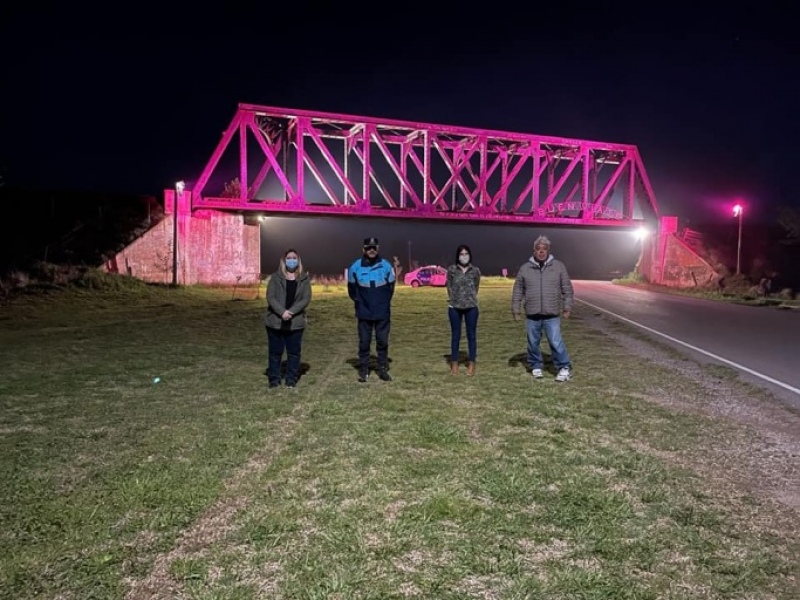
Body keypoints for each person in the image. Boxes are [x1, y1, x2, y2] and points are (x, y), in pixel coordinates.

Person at [511, 235, 574, 382]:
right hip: (532, 314)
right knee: (533, 342)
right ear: (534, 251)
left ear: (548, 250)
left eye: (544, 249)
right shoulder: (525, 268)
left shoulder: (558, 266)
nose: (541, 252)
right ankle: (536, 366)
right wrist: (516, 309)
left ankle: (564, 367)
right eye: (538, 249)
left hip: (552, 313)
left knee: (555, 341)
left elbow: (567, 288)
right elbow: (518, 290)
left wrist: (567, 307)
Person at [347, 237, 395, 382]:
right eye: (368, 248)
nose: (371, 250)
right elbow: (352, 290)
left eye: (374, 247)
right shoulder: (355, 266)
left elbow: (391, 288)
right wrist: (360, 303)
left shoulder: (386, 265)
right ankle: (363, 369)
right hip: (364, 311)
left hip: (382, 311)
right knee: (364, 342)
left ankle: (382, 368)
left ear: (378, 249)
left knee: (382, 341)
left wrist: (383, 303)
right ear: (363, 249)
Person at [264, 249, 312, 388]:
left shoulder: (304, 279)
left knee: (294, 353)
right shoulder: (275, 278)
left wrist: (290, 312)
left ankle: (291, 379)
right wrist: (281, 312)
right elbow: (270, 297)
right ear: (284, 261)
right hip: (275, 322)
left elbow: (306, 298)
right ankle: (274, 379)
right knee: (275, 353)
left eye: (294, 258)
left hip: (295, 323)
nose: (292, 260)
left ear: (298, 260)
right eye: (289, 258)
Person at [446, 244, 481, 375]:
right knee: (455, 336)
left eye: (466, 254)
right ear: (458, 256)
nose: (464, 256)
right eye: (462, 254)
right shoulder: (452, 270)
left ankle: (472, 364)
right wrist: (454, 298)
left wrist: (469, 298)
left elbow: (476, 286)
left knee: (471, 336)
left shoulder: (475, 270)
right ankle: (454, 363)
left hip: (471, 307)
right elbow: (449, 286)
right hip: (454, 307)